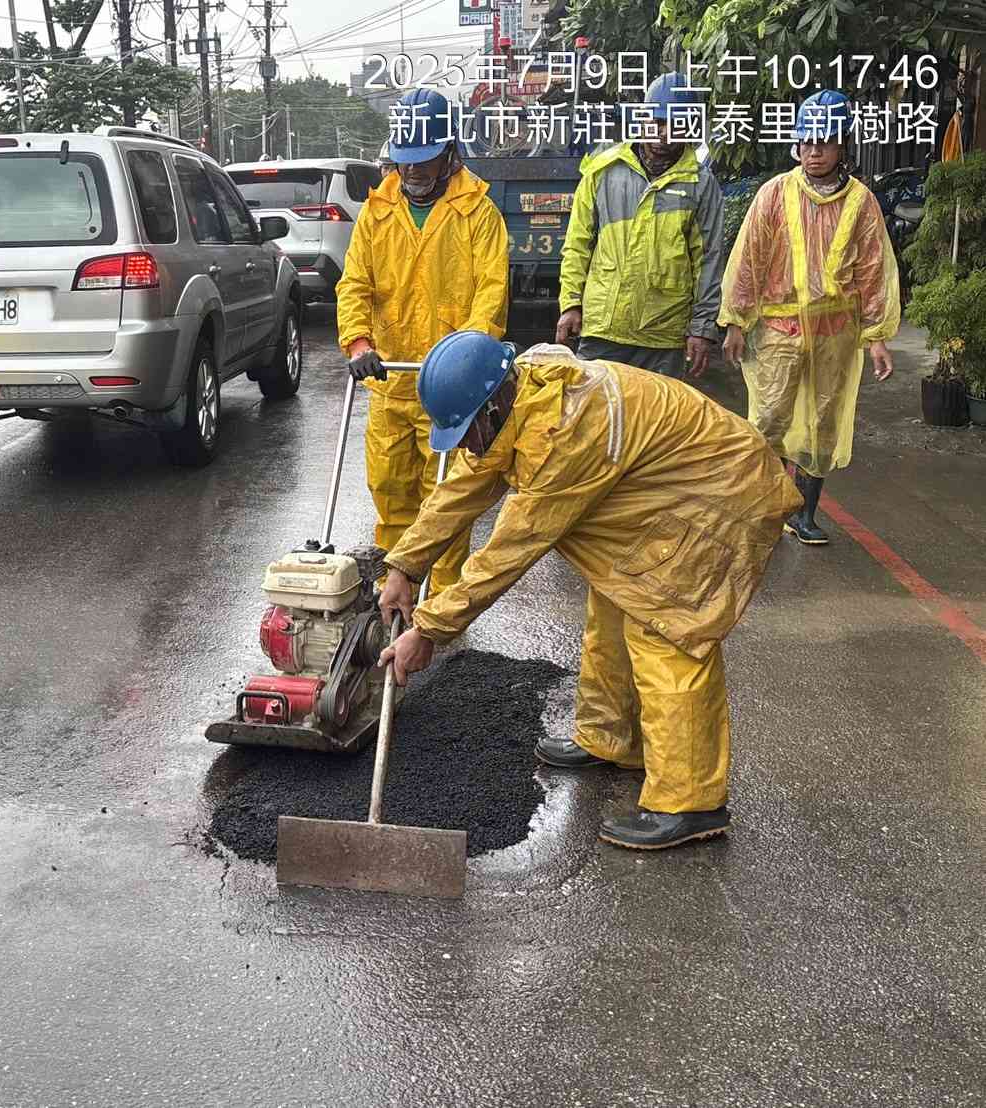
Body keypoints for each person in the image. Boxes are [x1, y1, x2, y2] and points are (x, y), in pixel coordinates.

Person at [376, 333, 803, 850]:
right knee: (612, 609)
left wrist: (430, 628)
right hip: (659, 494)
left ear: (492, 406)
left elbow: (509, 550)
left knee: (663, 633)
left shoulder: (560, 433)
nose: (464, 444)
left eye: (467, 431)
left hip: (715, 495)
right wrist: (405, 564)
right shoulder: (520, 398)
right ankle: (609, 738)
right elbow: (465, 484)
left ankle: (690, 802)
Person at [337, 88, 510, 596]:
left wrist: (466, 364)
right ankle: (399, 595)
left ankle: (443, 608)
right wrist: (358, 343)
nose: (411, 173)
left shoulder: (477, 213)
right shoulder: (378, 210)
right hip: (391, 378)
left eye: (423, 162)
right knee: (391, 494)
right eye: (403, 162)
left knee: (446, 500)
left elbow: (491, 293)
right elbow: (355, 284)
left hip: (448, 391)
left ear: (449, 153)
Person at [720, 90, 900, 545]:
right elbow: (749, 260)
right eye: (807, 141)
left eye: (825, 141)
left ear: (843, 146)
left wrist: (876, 336)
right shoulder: (774, 195)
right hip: (779, 330)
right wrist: (736, 321)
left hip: (834, 333)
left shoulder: (861, 202)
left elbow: (874, 269)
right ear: (796, 145)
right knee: (768, 421)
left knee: (823, 422)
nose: (815, 150)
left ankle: (803, 513)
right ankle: (759, 508)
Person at [556, 72, 724, 379]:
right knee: (595, 421)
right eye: (657, 123)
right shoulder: (603, 172)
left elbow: (709, 261)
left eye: (675, 126)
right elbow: (578, 245)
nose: (663, 134)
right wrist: (570, 304)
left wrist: (702, 328)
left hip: (663, 337)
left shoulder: (700, 185)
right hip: (603, 331)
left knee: (655, 426)